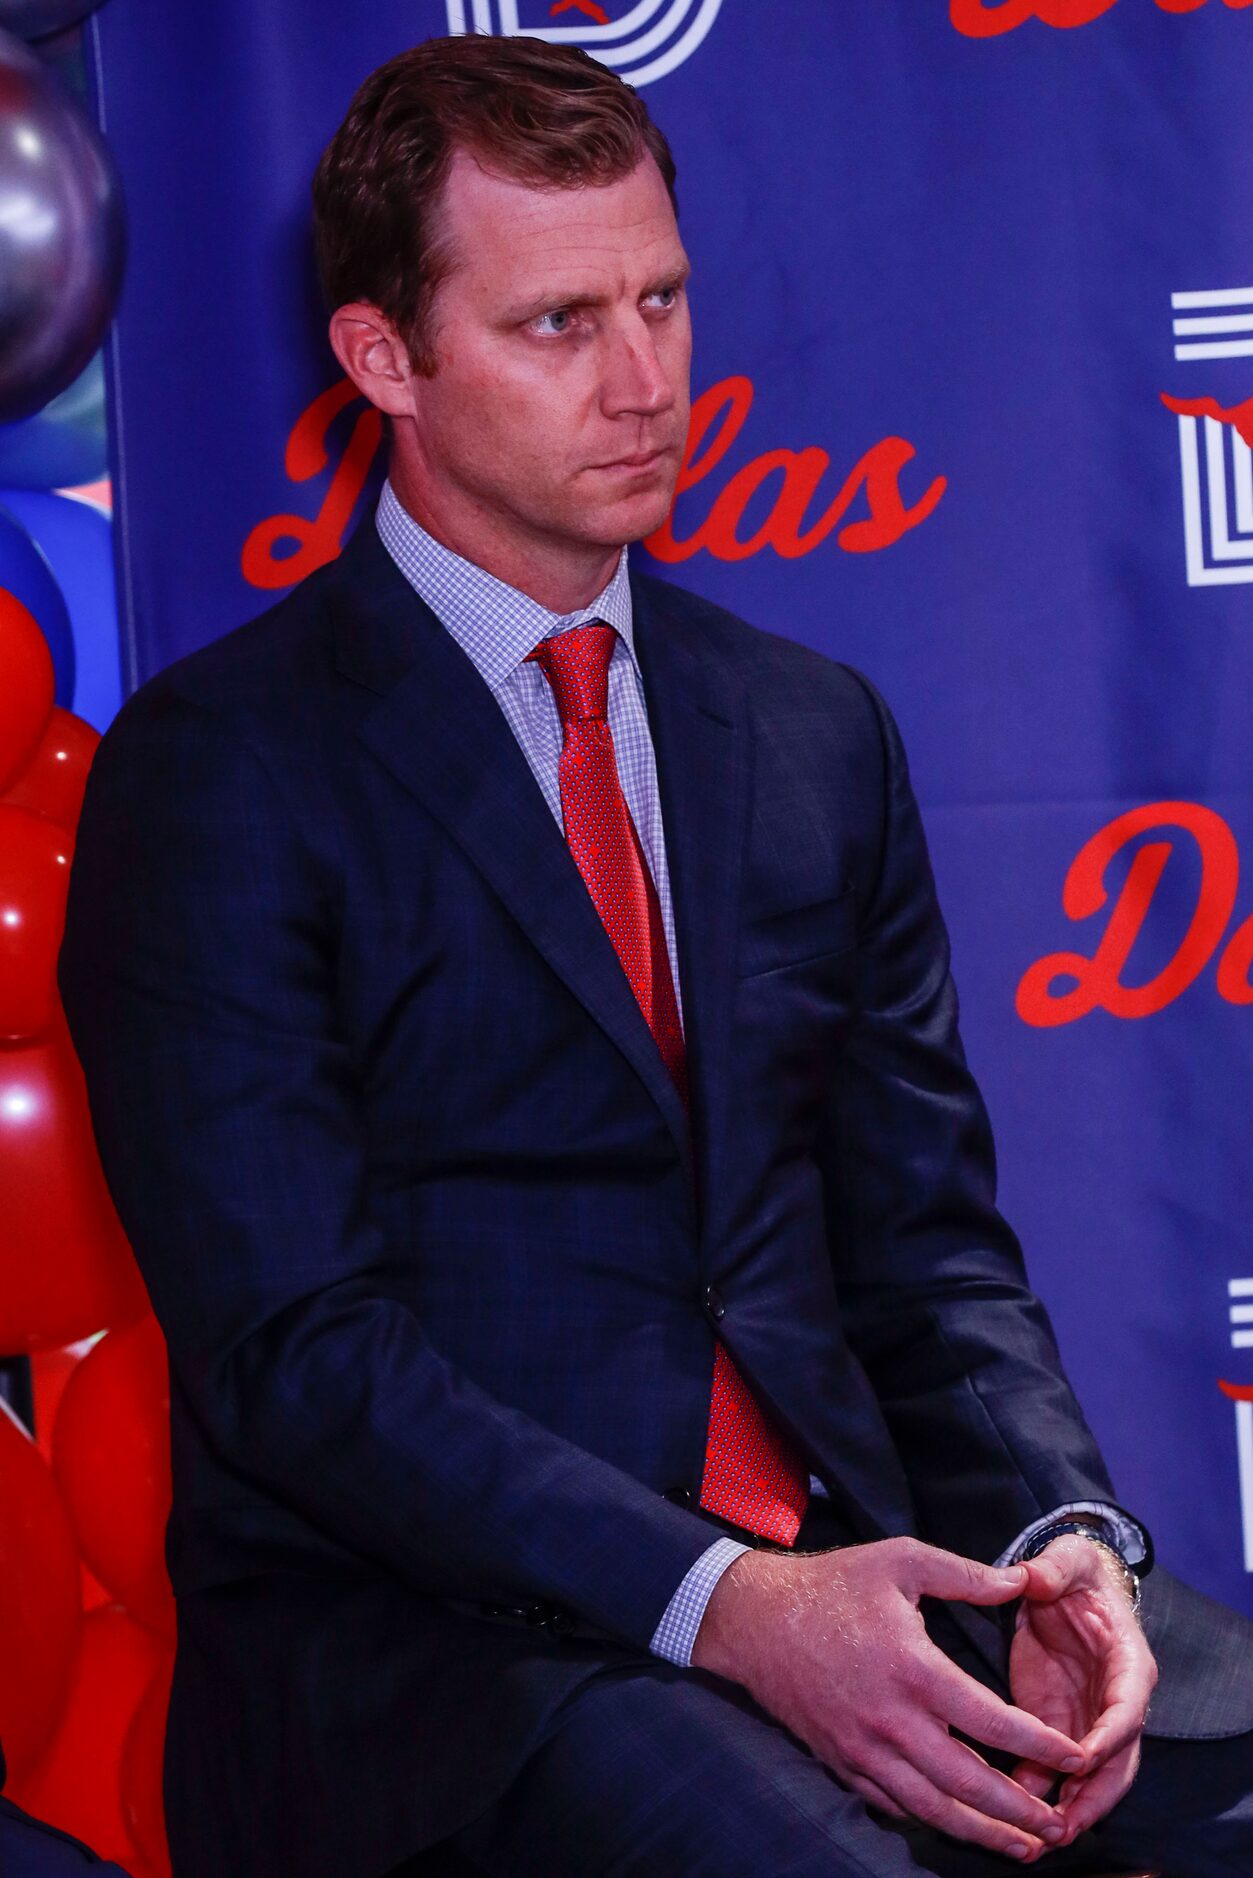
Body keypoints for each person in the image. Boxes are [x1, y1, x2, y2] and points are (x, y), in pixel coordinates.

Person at [57, 32, 1253, 1878]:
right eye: (556, 325)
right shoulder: (223, 771)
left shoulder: (809, 731)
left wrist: (1059, 1536)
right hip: (443, 1661)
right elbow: (299, 1356)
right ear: (384, 358)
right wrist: (717, 1600)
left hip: (858, 1568)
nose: (643, 382)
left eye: (664, 300)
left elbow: (926, 1250)